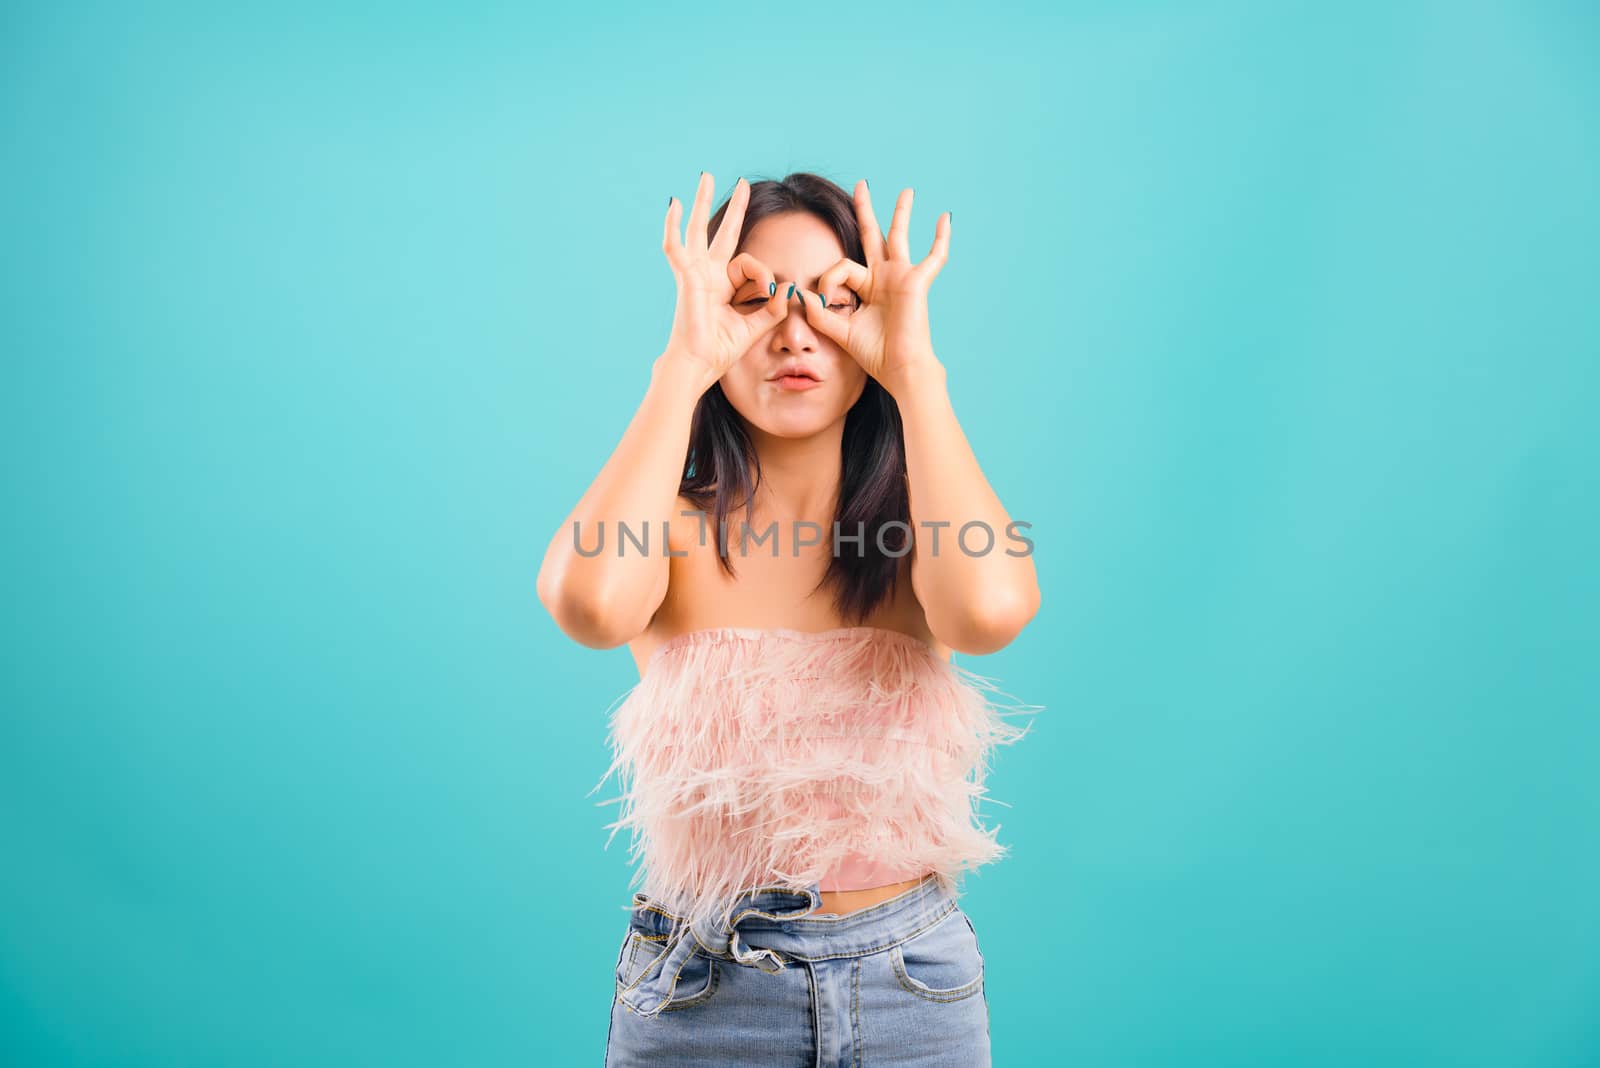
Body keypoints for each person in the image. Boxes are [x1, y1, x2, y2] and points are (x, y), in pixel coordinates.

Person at [537, 170, 1041, 1066]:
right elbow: (590, 603)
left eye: (835, 300)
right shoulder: (670, 525)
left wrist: (914, 367)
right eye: (754, 300)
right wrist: (685, 360)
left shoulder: (919, 526)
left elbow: (989, 613)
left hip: (912, 987)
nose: (795, 333)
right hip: (703, 988)